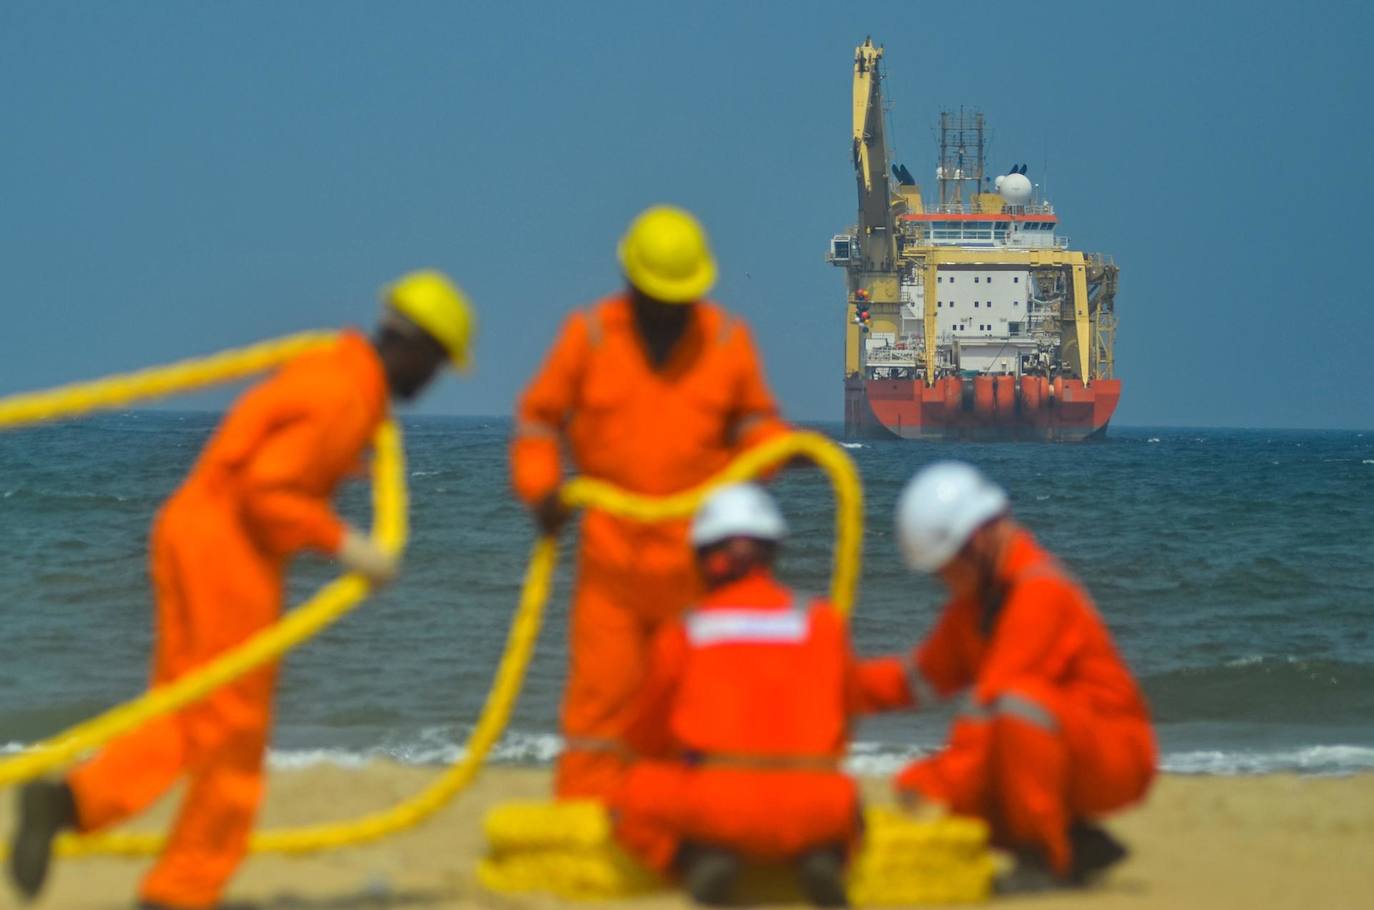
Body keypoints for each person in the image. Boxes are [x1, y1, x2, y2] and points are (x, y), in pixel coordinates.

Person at [8, 271, 475, 910]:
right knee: (233, 738)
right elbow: (268, 491)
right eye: (439, 363)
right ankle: (182, 892)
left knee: (182, 708)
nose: (434, 380)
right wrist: (346, 545)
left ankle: (68, 802)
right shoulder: (344, 396)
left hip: (189, 528)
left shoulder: (335, 370)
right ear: (416, 350)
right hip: (230, 554)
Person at [509, 205, 788, 799]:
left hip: (698, 565)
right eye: (657, 296)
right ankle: (587, 825)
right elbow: (538, 422)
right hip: (611, 562)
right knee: (599, 707)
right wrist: (541, 490)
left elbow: (757, 426)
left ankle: (688, 822)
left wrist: (779, 453)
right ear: (631, 282)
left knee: (696, 704)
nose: (668, 309)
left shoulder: (726, 341)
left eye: (679, 297)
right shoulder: (587, 336)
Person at [858, 461, 1155, 890]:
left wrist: (931, 780)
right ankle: (1076, 843)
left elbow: (993, 704)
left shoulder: (1040, 593)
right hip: (1067, 746)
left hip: (1114, 756)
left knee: (1013, 710)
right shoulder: (978, 605)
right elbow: (919, 677)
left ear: (975, 543)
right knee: (979, 770)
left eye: (944, 568)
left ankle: (1043, 858)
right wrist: (835, 683)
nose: (942, 581)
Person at [613, 484, 858, 908]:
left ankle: (695, 859)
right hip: (818, 803)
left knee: (627, 793)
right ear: (772, 551)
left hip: (720, 805)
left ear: (706, 557)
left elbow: (642, 736)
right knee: (849, 809)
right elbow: (846, 711)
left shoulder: (687, 628)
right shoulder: (821, 620)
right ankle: (823, 856)